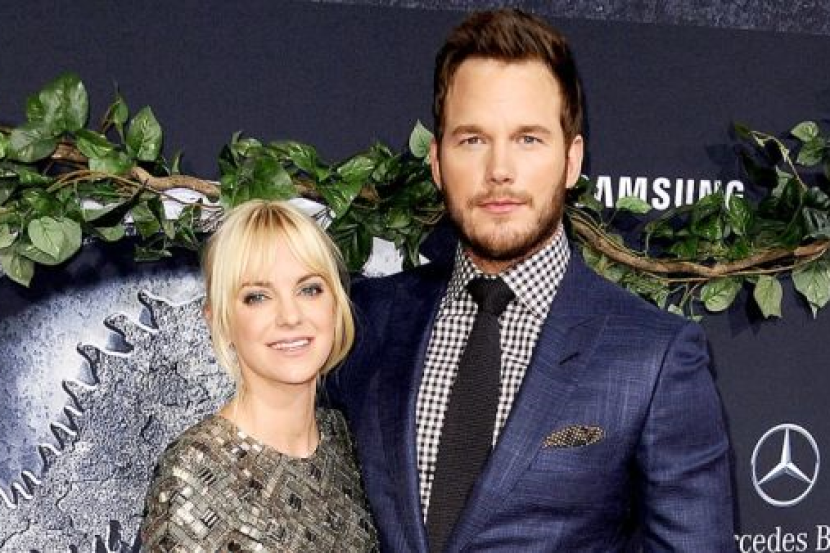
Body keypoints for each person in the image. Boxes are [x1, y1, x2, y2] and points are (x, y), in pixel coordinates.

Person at [326, 8, 735, 552]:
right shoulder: (366, 320)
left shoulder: (653, 358)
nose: (499, 169)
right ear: (437, 161)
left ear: (571, 159)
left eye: (528, 139)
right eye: (473, 139)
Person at [140, 200, 378, 551]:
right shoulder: (195, 469)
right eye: (257, 297)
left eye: (309, 289)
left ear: (335, 304)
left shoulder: (344, 436)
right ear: (219, 320)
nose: (290, 316)